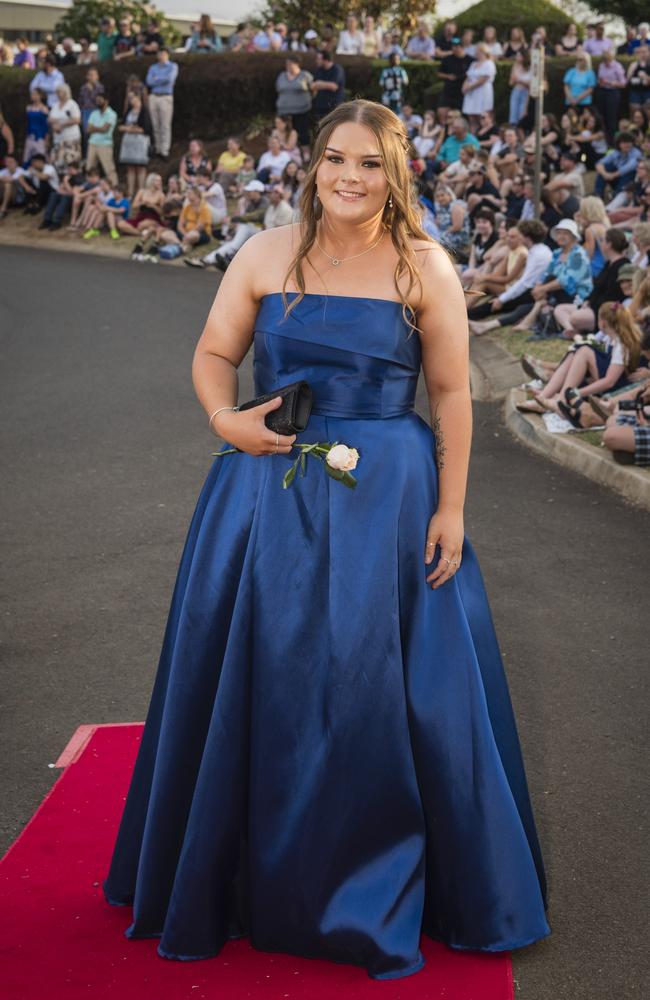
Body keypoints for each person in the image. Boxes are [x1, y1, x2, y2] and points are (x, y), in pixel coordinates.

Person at [102, 98, 551, 979]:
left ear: (397, 173)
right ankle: (242, 873)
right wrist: (222, 419)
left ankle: (387, 881)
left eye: (372, 163)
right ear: (313, 163)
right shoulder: (266, 251)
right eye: (336, 158)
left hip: (390, 497)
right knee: (262, 668)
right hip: (263, 490)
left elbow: (454, 395)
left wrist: (451, 509)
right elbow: (212, 355)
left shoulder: (426, 265)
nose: (351, 176)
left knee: (381, 684)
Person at [275, 56, 313, 161]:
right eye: (286, 64)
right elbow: (278, 89)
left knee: (302, 131)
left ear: (297, 64)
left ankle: (306, 153)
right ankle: (288, 153)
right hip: (284, 111)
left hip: (301, 110)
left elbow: (313, 89)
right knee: (285, 131)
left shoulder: (305, 75)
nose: (287, 66)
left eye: (290, 64)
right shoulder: (282, 76)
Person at [118, 92, 153, 198]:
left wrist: (131, 129)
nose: (130, 100)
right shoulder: (129, 111)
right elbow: (122, 125)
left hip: (140, 142)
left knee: (140, 168)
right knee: (130, 168)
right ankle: (130, 192)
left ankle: (141, 192)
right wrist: (127, 128)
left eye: (132, 98)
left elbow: (146, 129)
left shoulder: (144, 111)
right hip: (129, 142)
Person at [146, 47, 179, 159]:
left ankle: (165, 150)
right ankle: (158, 148)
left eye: (163, 54)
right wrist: (160, 79)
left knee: (165, 124)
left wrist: (157, 79)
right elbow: (149, 81)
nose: (161, 56)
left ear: (167, 55)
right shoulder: (153, 67)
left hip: (165, 97)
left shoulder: (172, 66)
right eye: (159, 54)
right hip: (154, 96)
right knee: (155, 124)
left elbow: (170, 80)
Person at [86, 92, 118, 186]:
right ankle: (90, 188)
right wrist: (99, 128)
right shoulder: (94, 113)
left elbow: (105, 129)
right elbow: (88, 129)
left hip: (105, 144)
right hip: (92, 143)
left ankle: (114, 188)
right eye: (97, 100)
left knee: (109, 169)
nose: (98, 102)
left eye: (100, 100)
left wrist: (94, 128)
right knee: (89, 168)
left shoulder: (111, 114)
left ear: (106, 101)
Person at [48, 84, 82, 172]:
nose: (58, 94)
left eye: (60, 92)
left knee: (70, 161)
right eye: (57, 92)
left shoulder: (72, 104)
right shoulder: (55, 105)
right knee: (56, 162)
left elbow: (77, 119)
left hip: (70, 138)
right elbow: (50, 118)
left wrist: (62, 125)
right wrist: (55, 125)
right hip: (58, 139)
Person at [461, 44, 496, 127]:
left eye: (478, 51)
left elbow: (483, 79)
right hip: (471, 94)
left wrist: (470, 87)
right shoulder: (473, 64)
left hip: (482, 92)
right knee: (471, 116)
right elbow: (468, 77)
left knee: (482, 116)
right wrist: (464, 87)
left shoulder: (489, 63)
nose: (476, 52)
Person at [437, 37, 472, 115]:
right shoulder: (447, 59)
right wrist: (448, 76)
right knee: (442, 111)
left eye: (458, 46)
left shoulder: (470, 60)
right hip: (449, 89)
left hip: (463, 90)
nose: (456, 49)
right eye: (454, 46)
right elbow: (439, 73)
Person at [311, 50, 345, 123]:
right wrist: (325, 85)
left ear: (325, 60)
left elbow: (333, 86)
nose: (316, 61)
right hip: (320, 106)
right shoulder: (319, 70)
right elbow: (313, 86)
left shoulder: (337, 69)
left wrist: (319, 83)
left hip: (333, 106)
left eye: (318, 59)